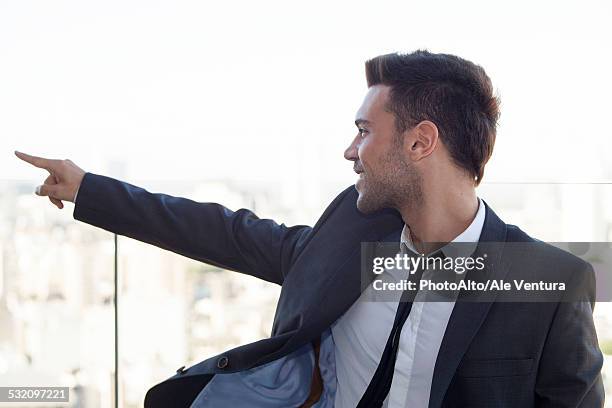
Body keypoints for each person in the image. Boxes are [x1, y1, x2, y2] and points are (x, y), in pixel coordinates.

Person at [15, 50, 604, 407]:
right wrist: (91, 189)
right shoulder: (349, 235)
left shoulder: (548, 284)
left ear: (421, 141)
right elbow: (225, 231)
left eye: (365, 130)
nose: (350, 150)